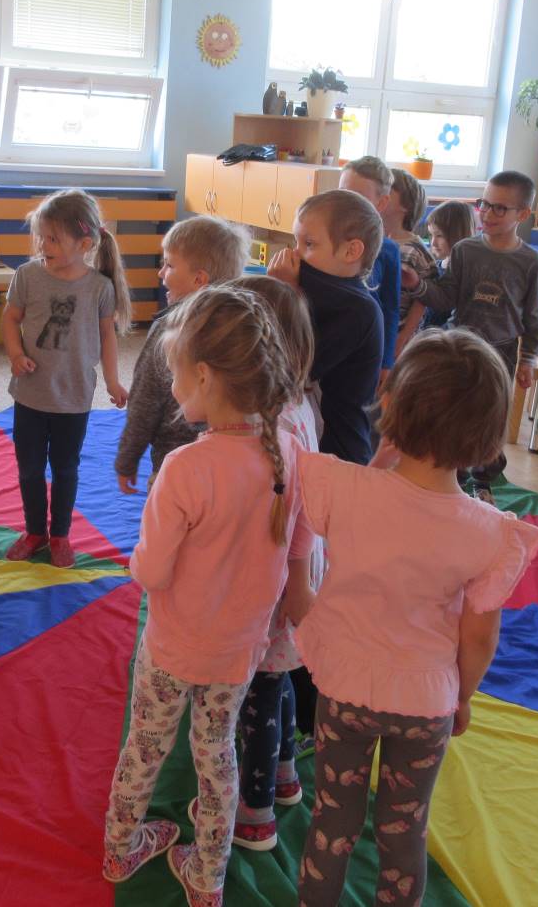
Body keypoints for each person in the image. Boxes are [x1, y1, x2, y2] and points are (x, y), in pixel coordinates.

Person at [293, 329, 538, 907]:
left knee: (333, 820)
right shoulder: (489, 532)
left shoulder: (346, 487)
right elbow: (479, 638)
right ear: (488, 437)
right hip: (425, 701)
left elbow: (344, 506)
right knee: (404, 832)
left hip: (346, 688)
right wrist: (463, 697)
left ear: (391, 405)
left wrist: (378, 462)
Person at [101, 285, 310, 907]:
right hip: (237, 651)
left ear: (204, 377)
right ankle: (207, 875)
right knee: (218, 755)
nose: (171, 388)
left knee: (145, 748)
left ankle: (120, 847)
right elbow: (300, 540)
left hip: (172, 647)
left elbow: (152, 571)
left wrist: (136, 560)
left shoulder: (186, 469)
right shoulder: (288, 452)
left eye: (174, 375)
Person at [226, 275, 318, 852]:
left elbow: (286, 511)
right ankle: (284, 776)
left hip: (280, 574)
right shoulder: (299, 403)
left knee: (258, 692)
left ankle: (255, 812)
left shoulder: (269, 426)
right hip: (295, 568)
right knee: (277, 676)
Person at [2, 189, 131, 568]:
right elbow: (10, 318)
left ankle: (59, 534)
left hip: (73, 398)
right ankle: (34, 531)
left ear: (85, 244)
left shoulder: (99, 287)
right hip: (30, 395)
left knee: (65, 468)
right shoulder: (28, 276)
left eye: (53, 239)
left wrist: (112, 381)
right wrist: (15, 355)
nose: (43, 245)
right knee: (29, 469)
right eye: (41, 237)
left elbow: (107, 337)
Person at [410, 172, 538, 504]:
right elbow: (446, 299)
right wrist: (418, 286)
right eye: (484, 204)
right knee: (454, 413)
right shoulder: (465, 251)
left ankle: (483, 481)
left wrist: (528, 359)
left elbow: (533, 317)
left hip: (502, 350)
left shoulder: (531, 261)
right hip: (461, 347)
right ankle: (452, 478)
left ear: (522, 214)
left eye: (499, 208)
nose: (487, 214)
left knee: (490, 417)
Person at [115, 215, 250, 494]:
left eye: (169, 265)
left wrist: (127, 459)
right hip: (235, 471)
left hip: (174, 468)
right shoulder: (247, 325)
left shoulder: (168, 331)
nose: (160, 273)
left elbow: (144, 402)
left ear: (199, 279)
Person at [267, 189, 383, 465]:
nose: (294, 254)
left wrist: (288, 292)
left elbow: (292, 368)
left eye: (308, 244)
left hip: (341, 452)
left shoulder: (358, 310)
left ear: (351, 251)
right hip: (316, 440)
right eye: (295, 241)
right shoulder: (329, 295)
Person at [336, 156, 401, 387]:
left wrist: (386, 361)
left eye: (357, 197)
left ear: (381, 203)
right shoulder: (324, 241)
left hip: (366, 354)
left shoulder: (389, 250)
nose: (346, 204)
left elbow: (390, 309)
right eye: (342, 193)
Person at [388, 167, 436, 354]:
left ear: (405, 206)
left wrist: (403, 338)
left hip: (400, 338)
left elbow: (423, 300)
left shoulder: (415, 251)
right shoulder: (373, 240)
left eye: (387, 190)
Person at [417, 199, 476, 332]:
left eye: (439, 236)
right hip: (426, 332)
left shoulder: (466, 274)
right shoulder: (435, 267)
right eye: (431, 235)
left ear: (458, 235)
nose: (433, 242)